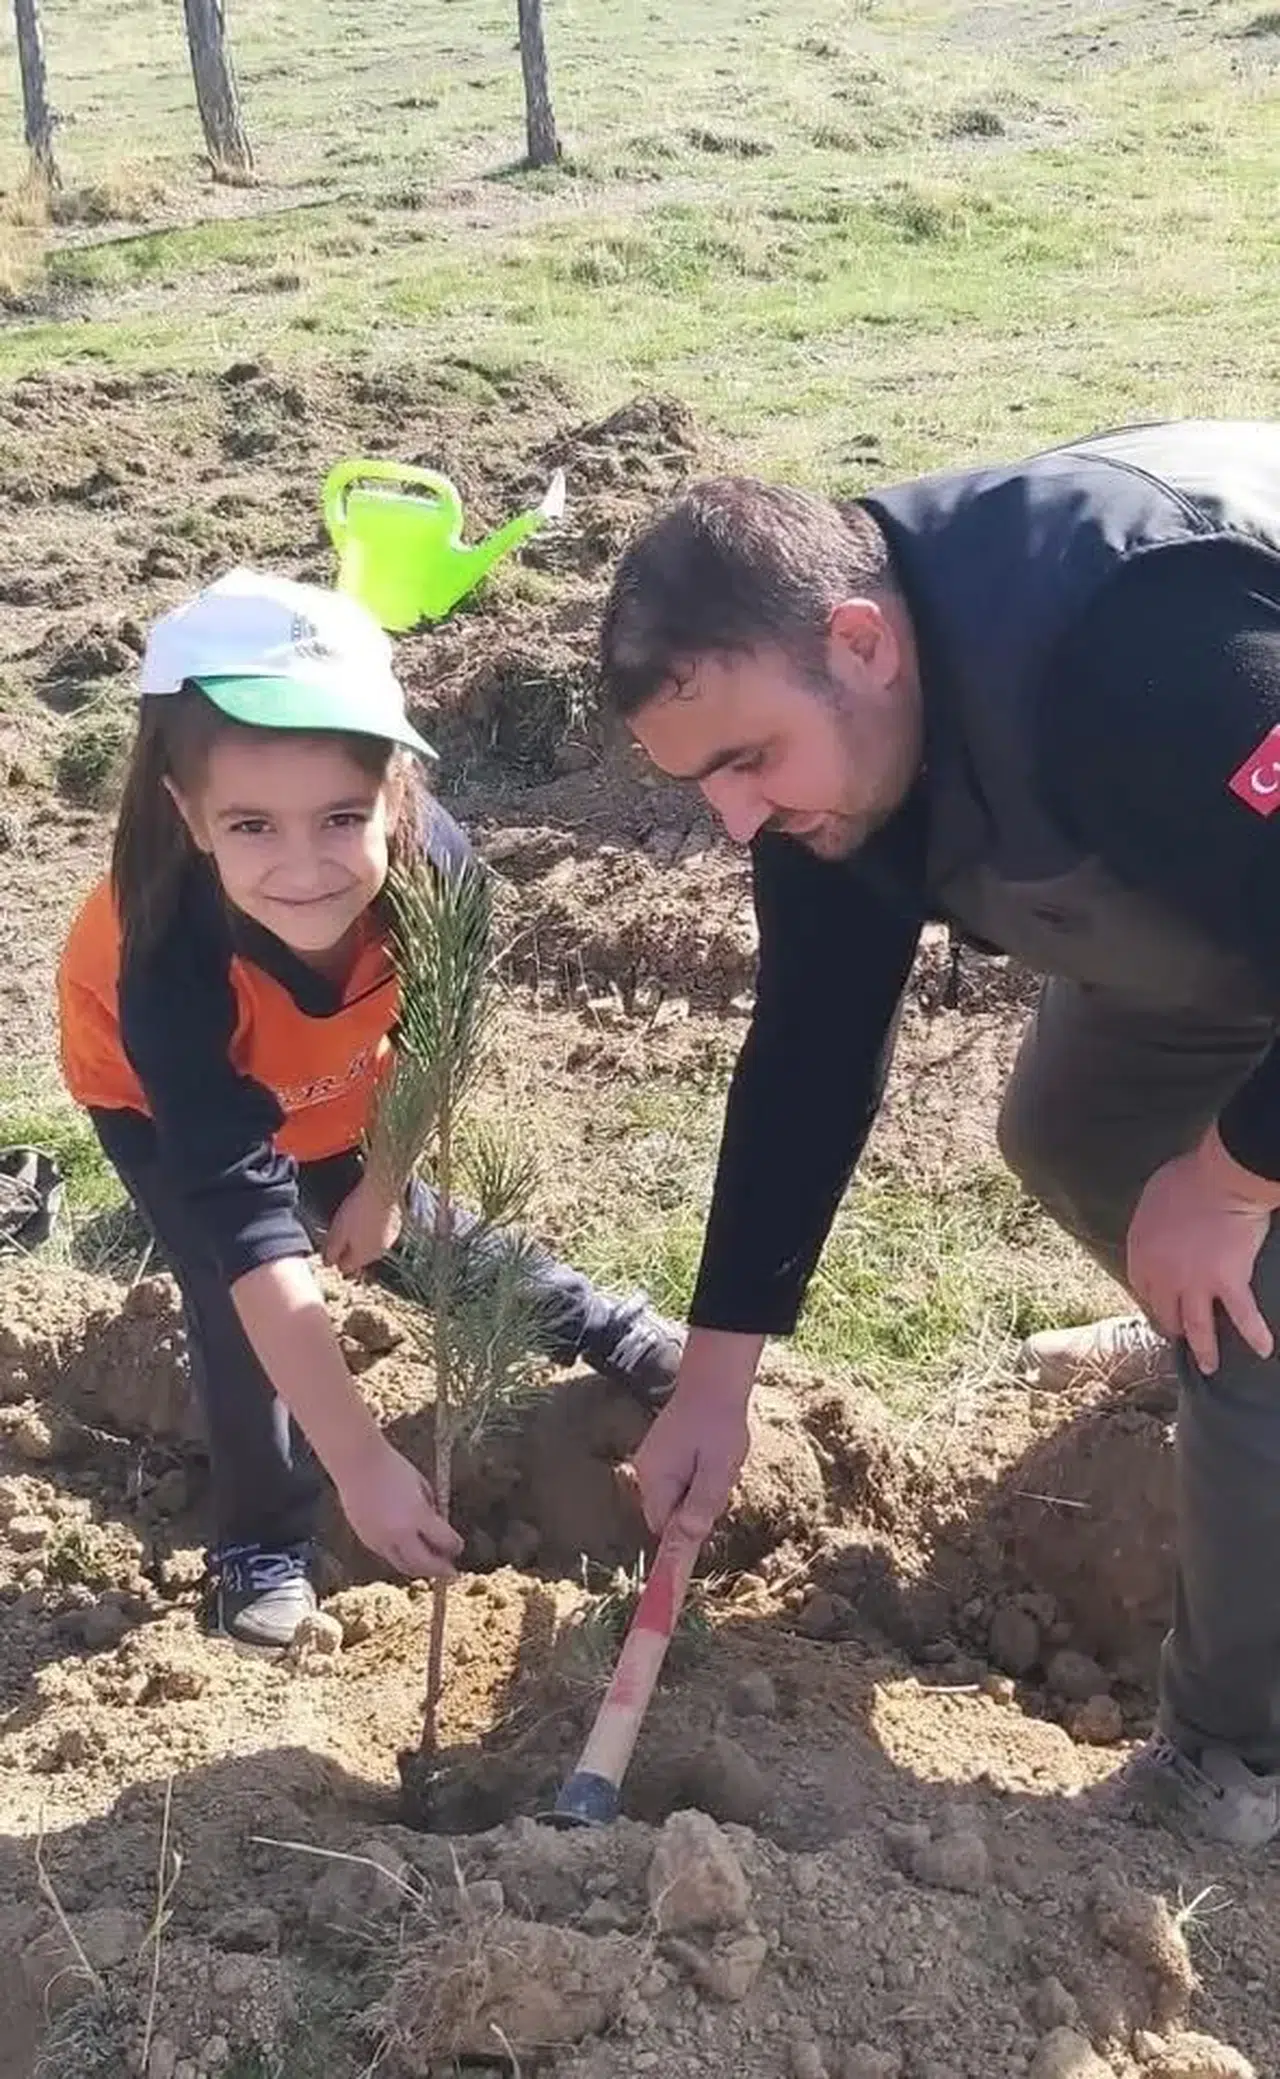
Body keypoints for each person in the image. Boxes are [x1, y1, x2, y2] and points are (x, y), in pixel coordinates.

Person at [599, 420, 1280, 1848]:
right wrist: (715, 1382)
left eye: (746, 760)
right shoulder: (834, 767)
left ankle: (1239, 1756)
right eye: (699, 785)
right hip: (1232, 901)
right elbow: (810, 1050)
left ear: (859, 643)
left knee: (1252, 1276)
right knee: (1074, 1120)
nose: (734, 821)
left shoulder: (1143, 652)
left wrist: (1227, 1180)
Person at [58, 568, 680, 1651]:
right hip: (162, 1101)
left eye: (341, 817)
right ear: (188, 816)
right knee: (228, 1282)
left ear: (398, 793)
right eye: (251, 825)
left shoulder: (441, 879)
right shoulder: (162, 961)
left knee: (386, 1224)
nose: (303, 870)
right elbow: (254, 1237)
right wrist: (359, 1460)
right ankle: (262, 1539)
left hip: (333, 1069)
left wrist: (383, 1186)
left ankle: (609, 1328)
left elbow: (437, 1044)